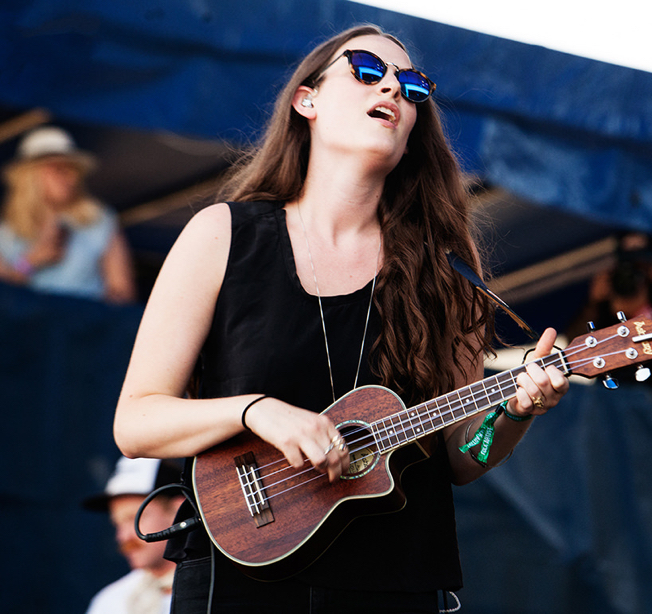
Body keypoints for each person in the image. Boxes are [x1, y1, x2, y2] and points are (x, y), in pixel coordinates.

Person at [113, 24, 570, 613]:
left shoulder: (448, 276)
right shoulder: (222, 235)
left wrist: (514, 410)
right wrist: (257, 411)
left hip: (392, 584)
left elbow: (461, 457)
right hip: (240, 581)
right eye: (367, 71)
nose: (395, 92)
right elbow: (136, 423)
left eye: (412, 86)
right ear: (308, 100)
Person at [0, 125, 136, 303]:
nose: (70, 178)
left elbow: (122, 291)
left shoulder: (99, 219)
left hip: (87, 324)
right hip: (30, 326)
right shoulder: (5, 231)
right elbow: (5, 296)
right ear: (31, 176)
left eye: (73, 170)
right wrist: (33, 260)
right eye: (59, 169)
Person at [566, 232, 652, 392]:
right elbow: (575, 350)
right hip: (611, 403)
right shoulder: (606, 302)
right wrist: (594, 303)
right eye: (627, 263)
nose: (632, 272)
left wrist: (643, 315)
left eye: (641, 265)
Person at [83, 457, 185, 614]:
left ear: (179, 511)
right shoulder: (111, 603)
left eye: (134, 519)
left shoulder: (226, 590)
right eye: (117, 523)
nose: (123, 537)